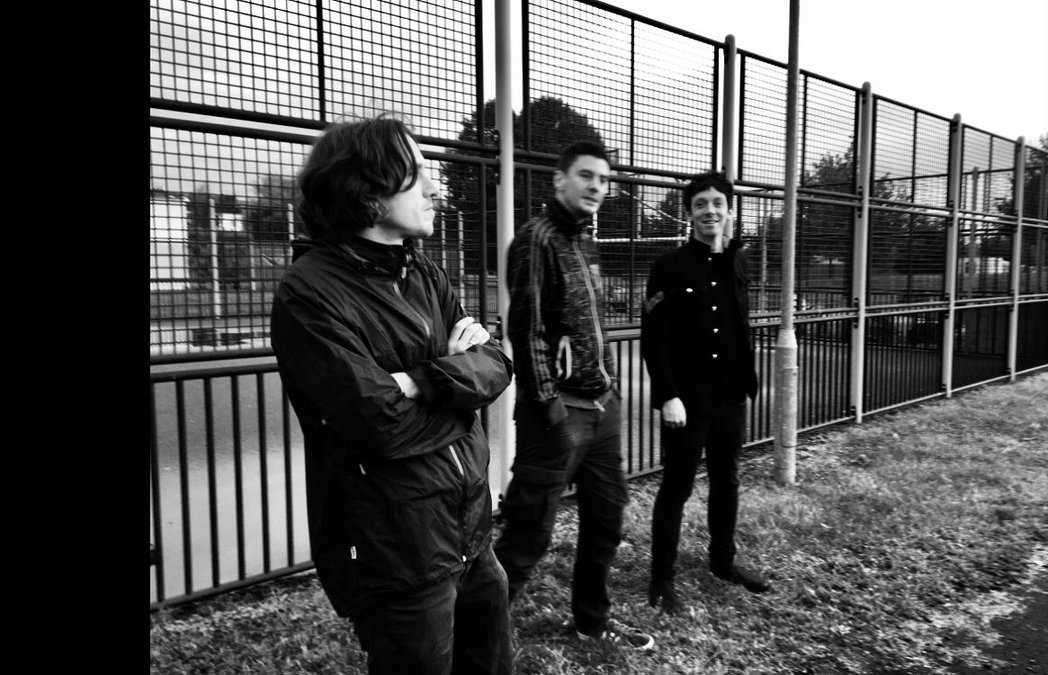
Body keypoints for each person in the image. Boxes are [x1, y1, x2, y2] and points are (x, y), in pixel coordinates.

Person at [270, 114, 515, 674]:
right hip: (399, 552)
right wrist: (457, 387)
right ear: (368, 192)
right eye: (416, 173)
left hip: (471, 533)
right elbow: (379, 424)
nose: (434, 188)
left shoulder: (424, 273)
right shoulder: (309, 292)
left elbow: (496, 364)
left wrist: (420, 381)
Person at [493, 141, 654, 650]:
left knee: (606, 521)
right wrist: (551, 408)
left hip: (602, 408)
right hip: (559, 414)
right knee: (528, 534)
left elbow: (587, 325)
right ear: (559, 180)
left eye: (604, 180)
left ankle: (591, 622)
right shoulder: (535, 240)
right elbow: (528, 332)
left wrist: (610, 386)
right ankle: (469, 641)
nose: (597, 187)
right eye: (587, 176)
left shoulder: (585, 240)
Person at [640, 170, 772, 615]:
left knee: (726, 480)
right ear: (690, 213)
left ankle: (723, 562)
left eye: (718, 203)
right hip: (687, 400)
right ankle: (662, 580)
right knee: (676, 487)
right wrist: (668, 396)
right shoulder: (669, 266)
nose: (709, 211)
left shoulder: (737, 261)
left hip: (731, 395)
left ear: (729, 210)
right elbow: (654, 338)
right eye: (701, 204)